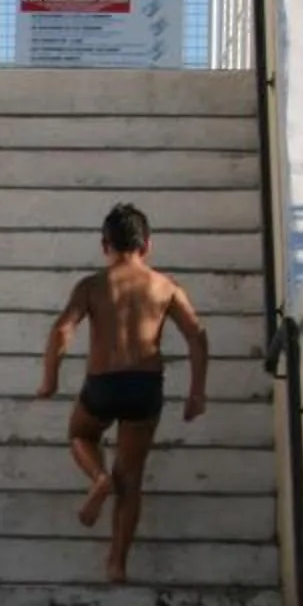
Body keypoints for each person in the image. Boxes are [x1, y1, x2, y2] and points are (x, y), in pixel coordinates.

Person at [35, 201, 211, 585]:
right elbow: (197, 336)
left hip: (104, 384)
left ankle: (98, 477)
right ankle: (117, 563)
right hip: (144, 387)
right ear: (146, 245)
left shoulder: (93, 285)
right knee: (130, 478)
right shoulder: (166, 287)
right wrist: (197, 393)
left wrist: (50, 378)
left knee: (80, 434)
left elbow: (62, 330)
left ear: (105, 245)